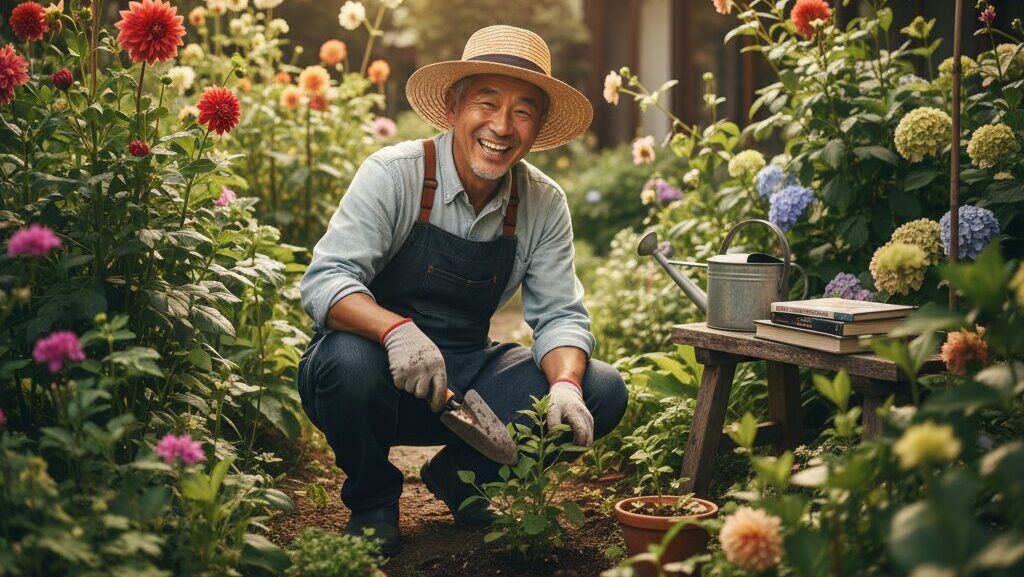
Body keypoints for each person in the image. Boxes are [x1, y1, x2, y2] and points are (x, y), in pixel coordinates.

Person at [297, 25, 628, 556]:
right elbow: (325, 281)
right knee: (346, 365)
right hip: (374, 372)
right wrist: (395, 330)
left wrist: (564, 385)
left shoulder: (542, 203)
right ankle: (373, 501)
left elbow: (561, 316)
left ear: (538, 126)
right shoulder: (394, 174)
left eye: (523, 110)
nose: (501, 125)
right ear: (453, 106)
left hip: (467, 382)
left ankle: (461, 476)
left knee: (602, 388)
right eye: (486, 102)